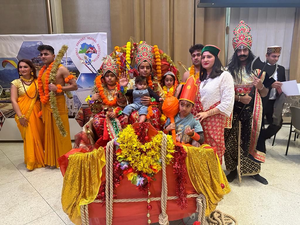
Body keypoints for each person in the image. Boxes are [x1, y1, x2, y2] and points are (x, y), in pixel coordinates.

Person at [224, 21, 275, 185]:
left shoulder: (259, 70)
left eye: (245, 49)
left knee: (252, 141)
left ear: (249, 50)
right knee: (231, 141)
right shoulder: (228, 71)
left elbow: (265, 93)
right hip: (234, 110)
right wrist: (240, 98)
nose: (242, 53)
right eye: (239, 49)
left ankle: (252, 171)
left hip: (252, 112)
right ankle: (232, 170)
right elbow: (225, 93)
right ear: (235, 51)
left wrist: (260, 86)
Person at [191, 45, 234, 163]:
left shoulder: (224, 76)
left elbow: (227, 102)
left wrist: (207, 113)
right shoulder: (202, 79)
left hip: (214, 119)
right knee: (199, 149)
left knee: (213, 149)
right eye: (203, 57)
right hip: (199, 119)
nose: (205, 60)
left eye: (209, 57)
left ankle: (213, 178)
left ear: (216, 59)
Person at [37, 44, 78, 168]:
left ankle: (65, 161)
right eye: (42, 54)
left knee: (61, 133)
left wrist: (58, 88)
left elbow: (74, 86)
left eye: (46, 54)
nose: (43, 56)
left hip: (58, 104)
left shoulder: (61, 69)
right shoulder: (43, 70)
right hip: (46, 105)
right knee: (49, 132)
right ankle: (52, 160)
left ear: (53, 56)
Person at [11, 59, 45, 170]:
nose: (22, 69)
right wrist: (20, 116)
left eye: (25, 67)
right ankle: (31, 161)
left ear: (31, 69)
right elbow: (14, 100)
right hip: (23, 114)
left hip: (37, 113)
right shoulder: (16, 83)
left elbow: (43, 98)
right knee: (30, 136)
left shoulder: (37, 81)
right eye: (20, 67)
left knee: (38, 135)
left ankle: (41, 159)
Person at [164, 76, 204, 146]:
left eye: (188, 106)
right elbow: (163, 132)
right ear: (178, 104)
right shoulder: (173, 116)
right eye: (182, 105)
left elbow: (202, 139)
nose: (184, 108)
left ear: (192, 107)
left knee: (196, 143)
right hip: (172, 146)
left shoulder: (194, 119)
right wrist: (167, 129)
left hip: (187, 148)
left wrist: (192, 134)